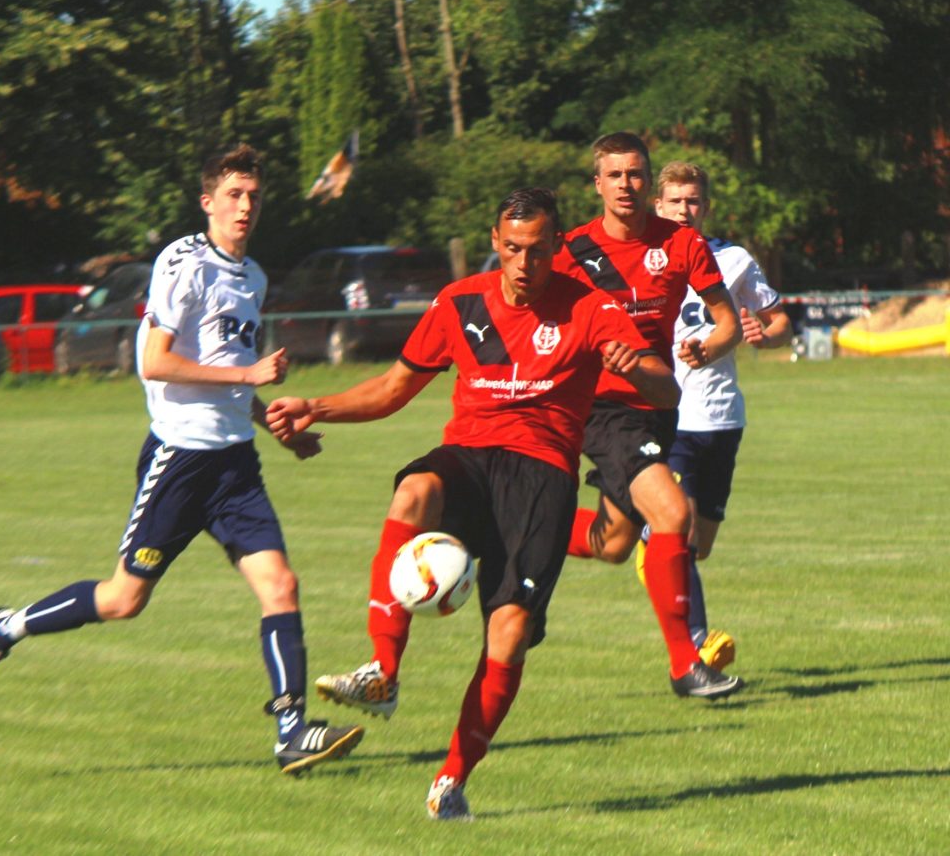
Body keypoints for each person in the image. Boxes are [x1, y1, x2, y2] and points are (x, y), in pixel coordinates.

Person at [266, 187, 679, 820]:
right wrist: (314, 406)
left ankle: (451, 780)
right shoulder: (459, 303)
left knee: (507, 633)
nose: (523, 264)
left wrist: (639, 367)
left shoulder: (591, 309)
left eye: (537, 251)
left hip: (542, 477)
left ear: (555, 247)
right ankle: (382, 670)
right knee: (415, 490)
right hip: (471, 456)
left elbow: (666, 390)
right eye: (512, 249)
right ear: (494, 242)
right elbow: (394, 387)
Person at [0, 143, 364, 777]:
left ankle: (291, 732)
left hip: (234, 466)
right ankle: (4, 629)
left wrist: (274, 426)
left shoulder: (251, 276)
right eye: (233, 195)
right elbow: (155, 362)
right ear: (208, 202)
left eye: (253, 196)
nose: (245, 206)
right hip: (180, 460)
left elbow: (230, 374)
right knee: (124, 600)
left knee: (280, 585)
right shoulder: (183, 262)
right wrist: (251, 373)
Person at [556, 132, 745, 700]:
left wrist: (707, 348)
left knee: (613, 543)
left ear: (649, 179)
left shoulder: (683, 245)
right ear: (598, 183)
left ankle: (505, 522)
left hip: (659, 404)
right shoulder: (571, 252)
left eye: (635, 174)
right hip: (604, 408)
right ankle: (686, 663)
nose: (626, 185)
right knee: (671, 512)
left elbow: (727, 321)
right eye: (614, 175)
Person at [647, 160, 792, 668]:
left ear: (704, 207)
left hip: (723, 420)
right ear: (658, 206)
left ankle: (655, 555)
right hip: (670, 419)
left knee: (697, 547)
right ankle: (698, 649)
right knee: (676, 531)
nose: (684, 210)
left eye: (693, 202)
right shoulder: (641, 263)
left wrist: (766, 334)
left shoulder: (733, 260)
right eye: (675, 201)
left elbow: (780, 323)